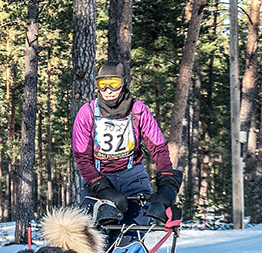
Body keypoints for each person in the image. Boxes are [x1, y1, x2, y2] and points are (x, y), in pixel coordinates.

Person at [72, 60, 183, 228]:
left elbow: (158, 148)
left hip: (133, 177)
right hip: (97, 176)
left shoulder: (138, 110)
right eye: (102, 84)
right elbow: (82, 158)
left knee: (133, 233)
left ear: (123, 83)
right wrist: (102, 188)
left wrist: (167, 183)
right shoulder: (87, 113)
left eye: (114, 84)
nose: (108, 90)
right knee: (96, 239)